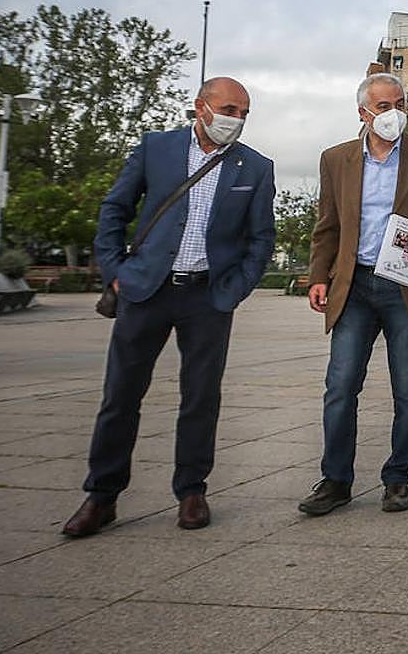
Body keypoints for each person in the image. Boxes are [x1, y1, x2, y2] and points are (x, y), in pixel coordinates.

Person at [62, 77, 276, 537]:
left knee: (201, 397)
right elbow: (114, 209)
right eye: (228, 109)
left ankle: (192, 490)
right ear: (200, 107)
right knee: (121, 395)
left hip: (207, 296)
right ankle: (102, 495)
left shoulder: (255, 166)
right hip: (146, 291)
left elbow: (261, 240)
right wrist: (114, 270)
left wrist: (235, 288)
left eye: (243, 113)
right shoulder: (156, 148)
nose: (235, 120)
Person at [298, 73, 408, 516]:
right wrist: (318, 277)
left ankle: (397, 478)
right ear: (363, 114)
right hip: (354, 286)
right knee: (340, 386)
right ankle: (335, 481)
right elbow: (326, 226)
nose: (395, 114)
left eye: (401, 104)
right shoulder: (336, 159)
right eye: (384, 106)